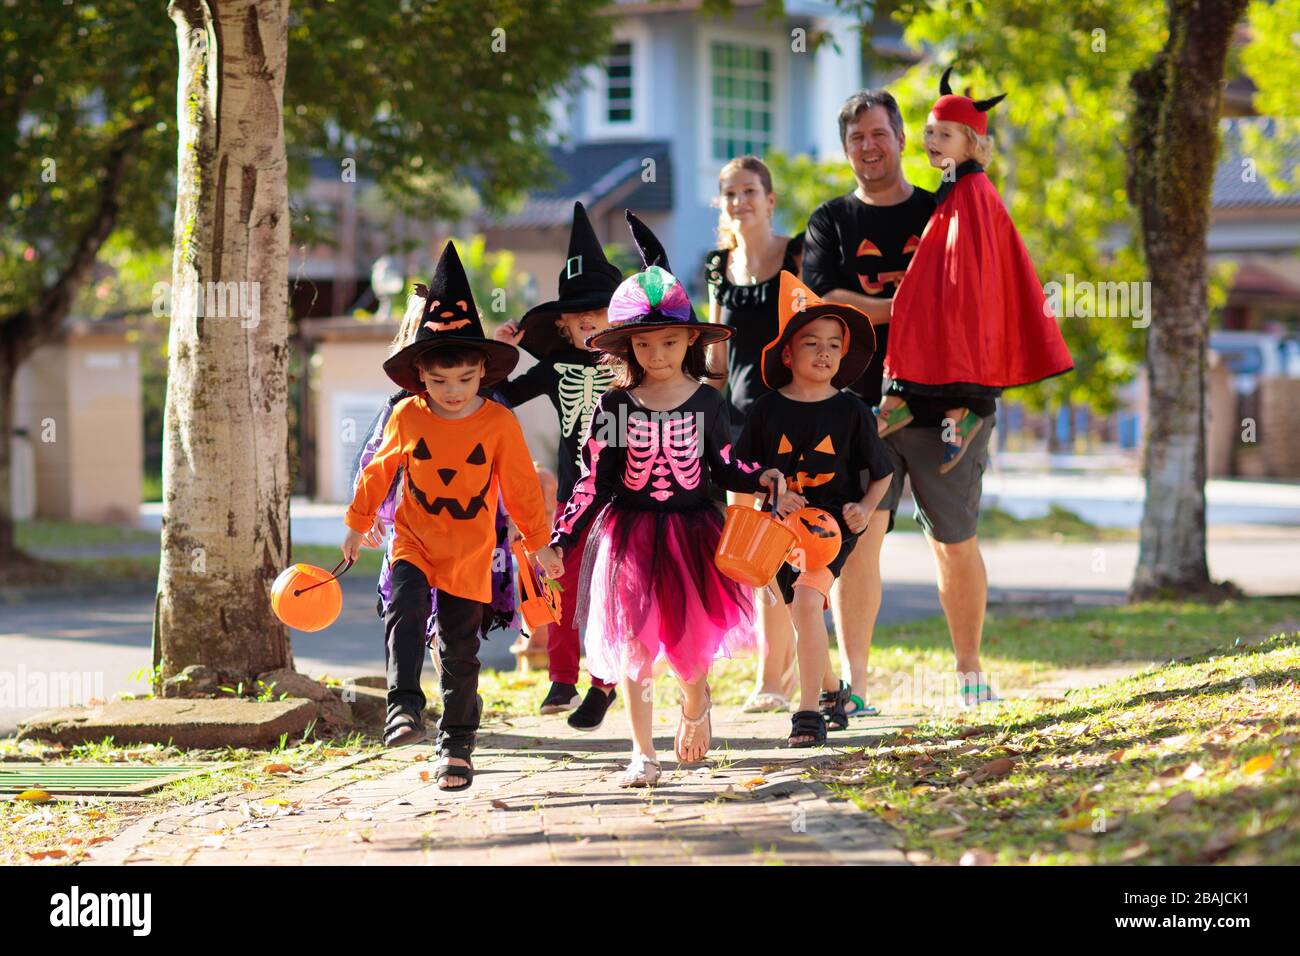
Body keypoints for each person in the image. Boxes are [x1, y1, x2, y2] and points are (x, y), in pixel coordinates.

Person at [551, 212, 785, 787]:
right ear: (627, 346)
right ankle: (642, 753)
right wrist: (562, 537)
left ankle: (696, 700)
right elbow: (594, 479)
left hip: (692, 532)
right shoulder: (613, 405)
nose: (657, 352)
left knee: (687, 644)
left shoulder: (706, 403)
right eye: (645, 342)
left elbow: (723, 461)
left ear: (690, 341)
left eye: (670, 341)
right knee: (632, 644)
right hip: (629, 535)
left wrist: (764, 477)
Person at [343, 241, 564, 792]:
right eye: (439, 383)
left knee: (460, 649)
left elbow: (520, 490)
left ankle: (457, 744)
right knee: (405, 609)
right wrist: (355, 521)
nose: (452, 393)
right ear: (420, 376)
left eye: (464, 381)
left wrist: (540, 545)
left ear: (482, 373)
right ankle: (403, 706)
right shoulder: (409, 416)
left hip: (469, 552)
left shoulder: (496, 423)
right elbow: (378, 470)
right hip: (414, 540)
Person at [801, 88, 997, 711]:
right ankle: (856, 686)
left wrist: (881, 313)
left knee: (954, 539)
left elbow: (972, 286)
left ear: (904, 139)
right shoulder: (830, 221)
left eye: (879, 133)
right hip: (860, 405)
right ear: (846, 149)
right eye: (856, 137)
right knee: (858, 537)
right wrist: (905, 307)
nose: (868, 146)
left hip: (947, 401)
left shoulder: (946, 207)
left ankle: (969, 671)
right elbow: (824, 300)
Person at [882, 67, 1072, 474]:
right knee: (914, 307)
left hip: (965, 294)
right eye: (930, 132)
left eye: (945, 135)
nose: (932, 141)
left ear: (971, 143)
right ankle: (901, 402)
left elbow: (970, 265)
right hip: (952, 291)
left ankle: (953, 415)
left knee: (941, 317)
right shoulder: (956, 183)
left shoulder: (973, 190)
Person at [737, 272, 894, 746]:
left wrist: (865, 509)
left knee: (808, 603)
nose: (824, 352)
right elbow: (743, 467)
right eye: (811, 343)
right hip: (779, 529)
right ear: (787, 353)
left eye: (833, 344)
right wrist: (768, 491)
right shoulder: (766, 411)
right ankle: (832, 692)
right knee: (798, 614)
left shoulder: (851, 412)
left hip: (831, 528)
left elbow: (881, 472)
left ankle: (807, 715)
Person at [492, 201, 622, 729]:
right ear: (564, 327)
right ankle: (563, 676)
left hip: (627, 495)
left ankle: (606, 682)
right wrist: (500, 353)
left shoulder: (634, 364)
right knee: (563, 585)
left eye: (601, 315)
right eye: (580, 319)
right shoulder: (555, 368)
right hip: (574, 495)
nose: (591, 324)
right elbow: (501, 395)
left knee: (614, 590)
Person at [703, 155, 804, 714]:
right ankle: (773, 676)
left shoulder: (797, 254)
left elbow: (814, 334)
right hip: (736, 423)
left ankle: (795, 675)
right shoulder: (719, 266)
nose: (740, 201)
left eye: (749, 191)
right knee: (751, 553)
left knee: (795, 545)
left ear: (769, 198)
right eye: (730, 194)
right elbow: (717, 357)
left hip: (790, 420)